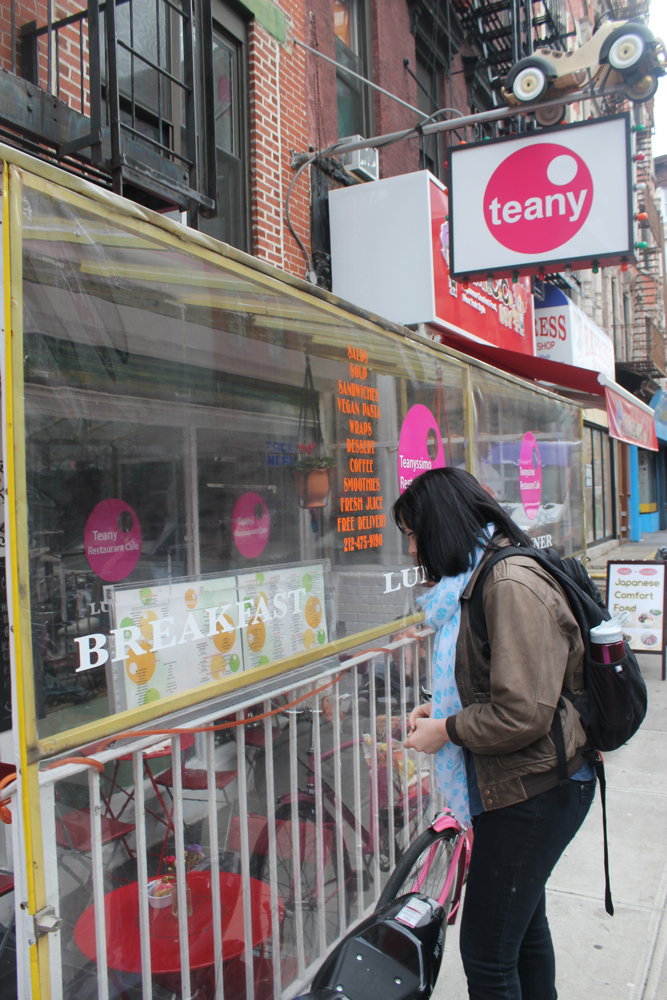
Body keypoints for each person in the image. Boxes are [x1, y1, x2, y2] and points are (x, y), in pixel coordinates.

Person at [396, 467, 596, 1000]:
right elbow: (497, 679)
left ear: (440, 526)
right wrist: (438, 710)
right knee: (522, 931)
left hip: (535, 789)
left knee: (486, 953)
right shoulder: (478, 578)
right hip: (527, 782)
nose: (412, 550)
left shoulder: (506, 583)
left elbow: (522, 712)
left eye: (414, 534)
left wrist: (447, 729)